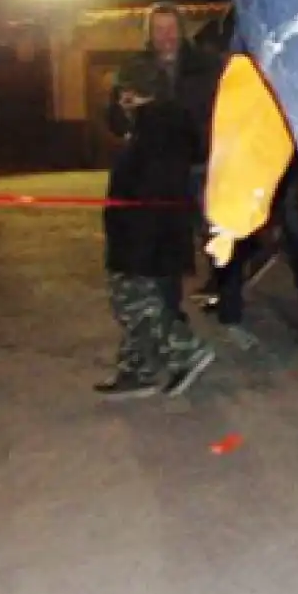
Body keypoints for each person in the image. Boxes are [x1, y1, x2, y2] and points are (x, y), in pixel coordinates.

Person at [98, 43, 216, 400]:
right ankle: (139, 369)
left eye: (123, 90)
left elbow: (151, 188)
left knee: (136, 303)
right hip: (149, 231)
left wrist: (136, 239)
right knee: (137, 306)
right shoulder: (159, 123)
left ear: (135, 91)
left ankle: (184, 348)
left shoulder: (157, 129)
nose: (119, 98)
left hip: (144, 234)